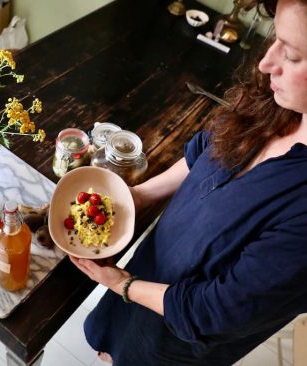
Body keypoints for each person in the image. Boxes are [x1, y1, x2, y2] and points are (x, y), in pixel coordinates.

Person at [70, 0, 307, 364]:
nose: (266, 62)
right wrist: (139, 195)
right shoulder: (280, 102)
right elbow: (209, 151)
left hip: (176, 333)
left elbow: (212, 311)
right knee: (114, 340)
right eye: (276, 38)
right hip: (147, 273)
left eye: (291, 55)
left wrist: (122, 284)